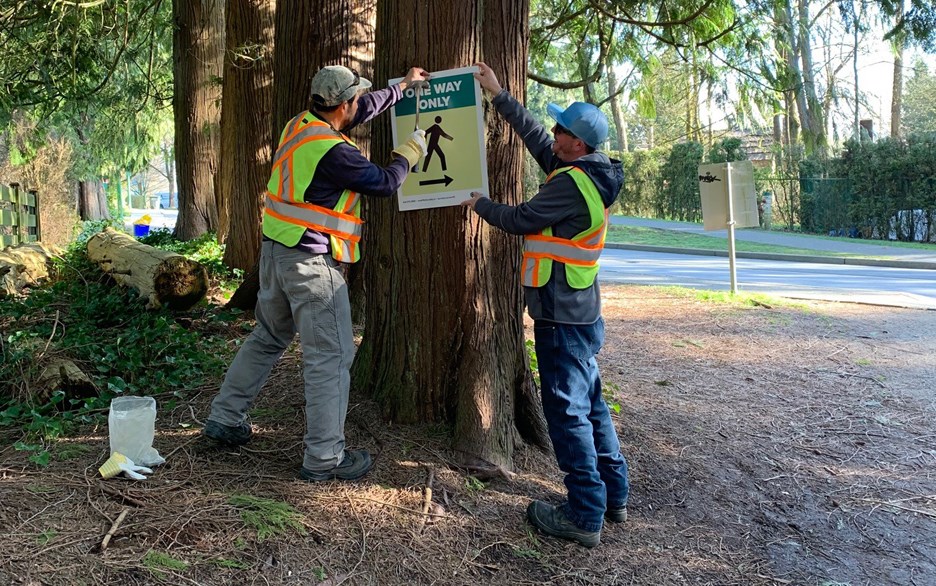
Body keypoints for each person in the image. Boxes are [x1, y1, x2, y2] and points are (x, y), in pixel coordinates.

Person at [203, 64, 430, 482]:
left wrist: (401, 88)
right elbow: (381, 182)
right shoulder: (335, 152)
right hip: (311, 266)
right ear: (343, 104)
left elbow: (363, 109)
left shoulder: (300, 127)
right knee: (330, 357)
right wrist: (409, 155)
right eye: (356, 99)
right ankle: (325, 457)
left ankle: (225, 417)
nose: (360, 104)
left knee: (267, 337)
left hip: (275, 255)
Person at [461, 62, 630, 548]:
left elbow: (522, 218)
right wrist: (499, 94)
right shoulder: (587, 173)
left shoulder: (568, 185)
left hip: (561, 316)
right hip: (580, 312)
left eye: (562, 130)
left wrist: (478, 205)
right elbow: (535, 137)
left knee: (567, 412)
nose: (553, 134)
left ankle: (584, 513)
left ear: (578, 144)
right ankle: (613, 495)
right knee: (593, 406)